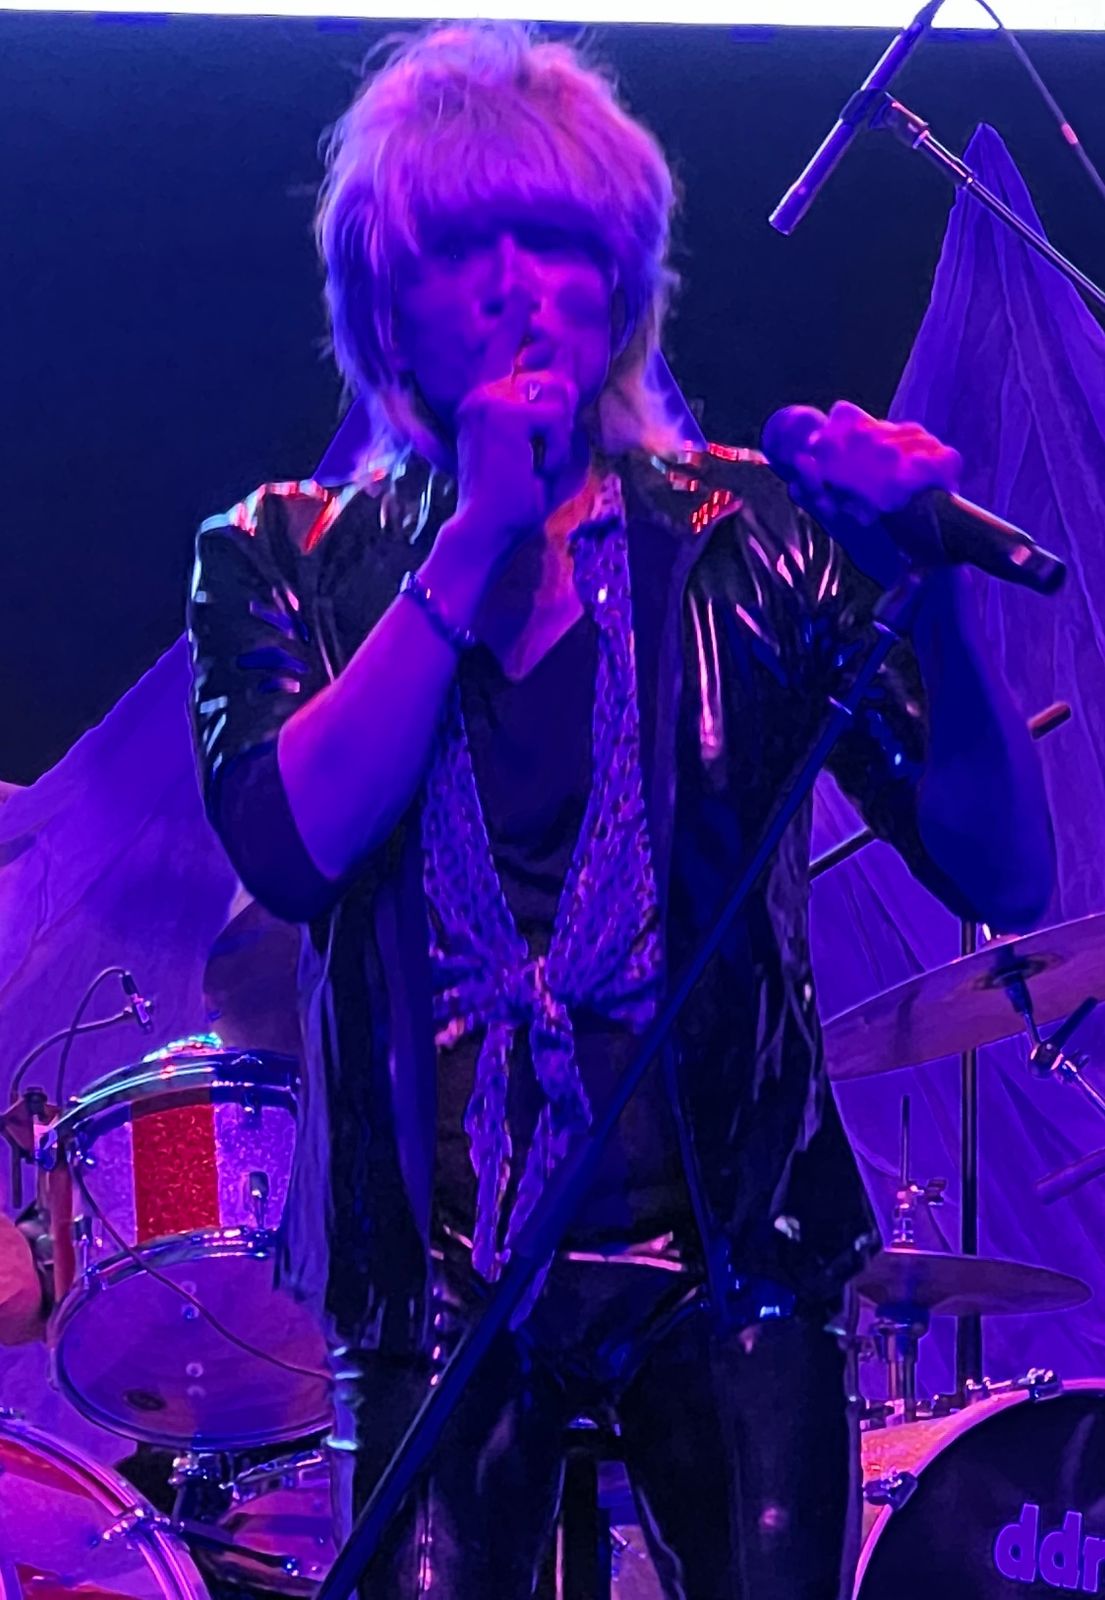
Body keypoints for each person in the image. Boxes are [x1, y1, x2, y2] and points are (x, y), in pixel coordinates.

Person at [187, 22, 1055, 1599]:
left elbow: (1002, 867)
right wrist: (474, 541)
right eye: (464, 248)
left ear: (622, 284)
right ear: (386, 300)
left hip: (726, 1254)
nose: (517, 286)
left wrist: (922, 593)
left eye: (559, 243)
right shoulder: (281, 559)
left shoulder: (756, 537)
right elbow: (291, 848)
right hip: (442, 1272)